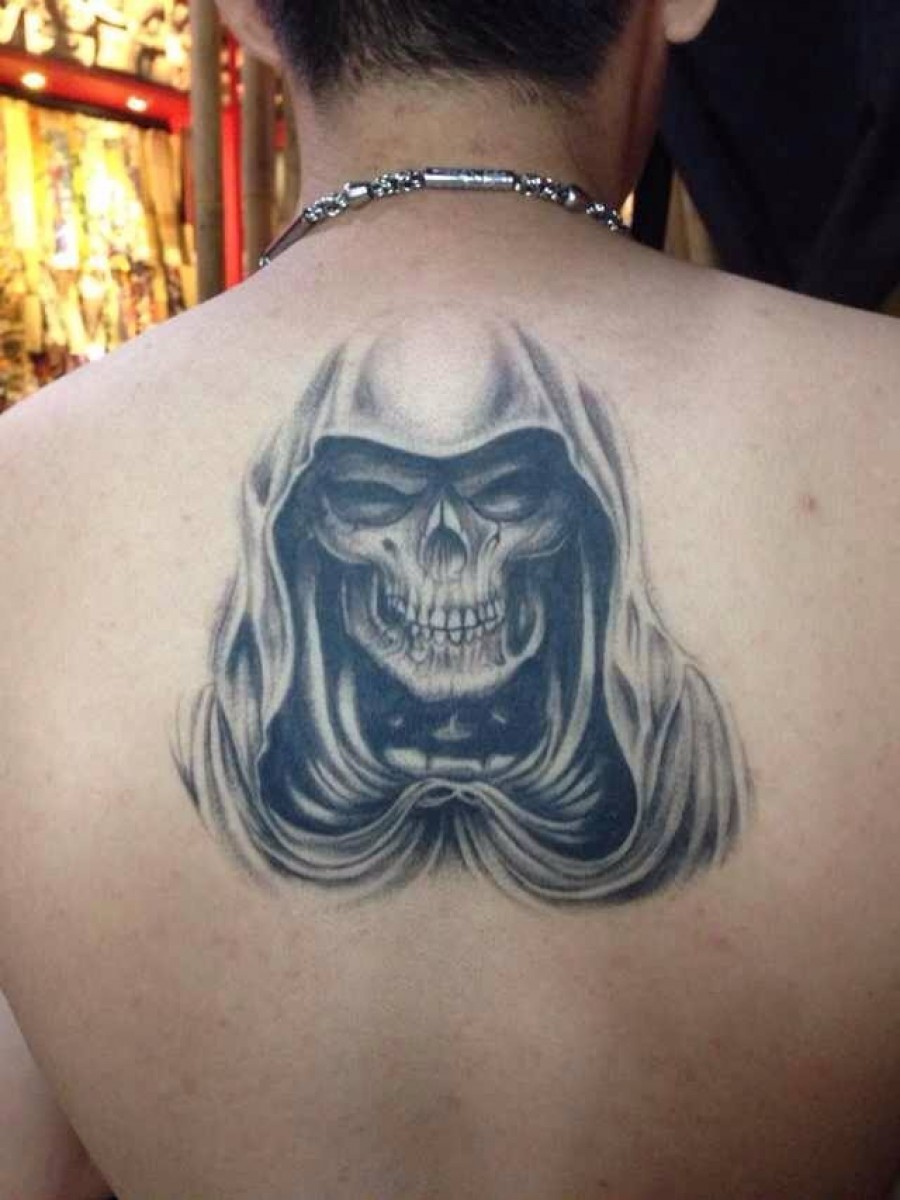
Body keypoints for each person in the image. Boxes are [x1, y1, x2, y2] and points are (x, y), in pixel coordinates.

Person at [1, 0, 899, 1195]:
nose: (444, 543)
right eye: (374, 495)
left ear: (247, 15)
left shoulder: (23, 503)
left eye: (510, 492)